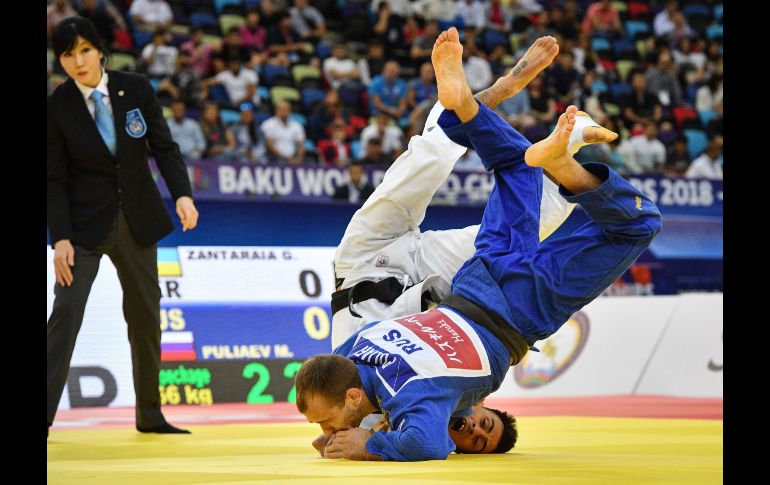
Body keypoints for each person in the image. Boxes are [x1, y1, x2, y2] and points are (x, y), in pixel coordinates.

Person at [296, 27, 660, 461]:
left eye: (323, 422)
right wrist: (356, 429)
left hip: (374, 268)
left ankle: (484, 109)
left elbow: (417, 438)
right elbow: (377, 406)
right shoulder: (377, 379)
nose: (470, 429)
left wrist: (359, 438)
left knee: (434, 162)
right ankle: (475, 113)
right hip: (458, 286)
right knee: (523, 193)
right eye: (483, 430)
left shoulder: (378, 384)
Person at [47, 17, 199, 436]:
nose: (78, 62)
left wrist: (182, 194)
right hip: (83, 228)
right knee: (66, 313)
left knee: (146, 316)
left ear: (100, 50)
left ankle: (150, 414)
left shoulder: (135, 88)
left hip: (137, 219)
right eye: (68, 54)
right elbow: (54, 179)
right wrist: (60, 238)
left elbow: (163, 146)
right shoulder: (57, 106)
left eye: (84, 50)